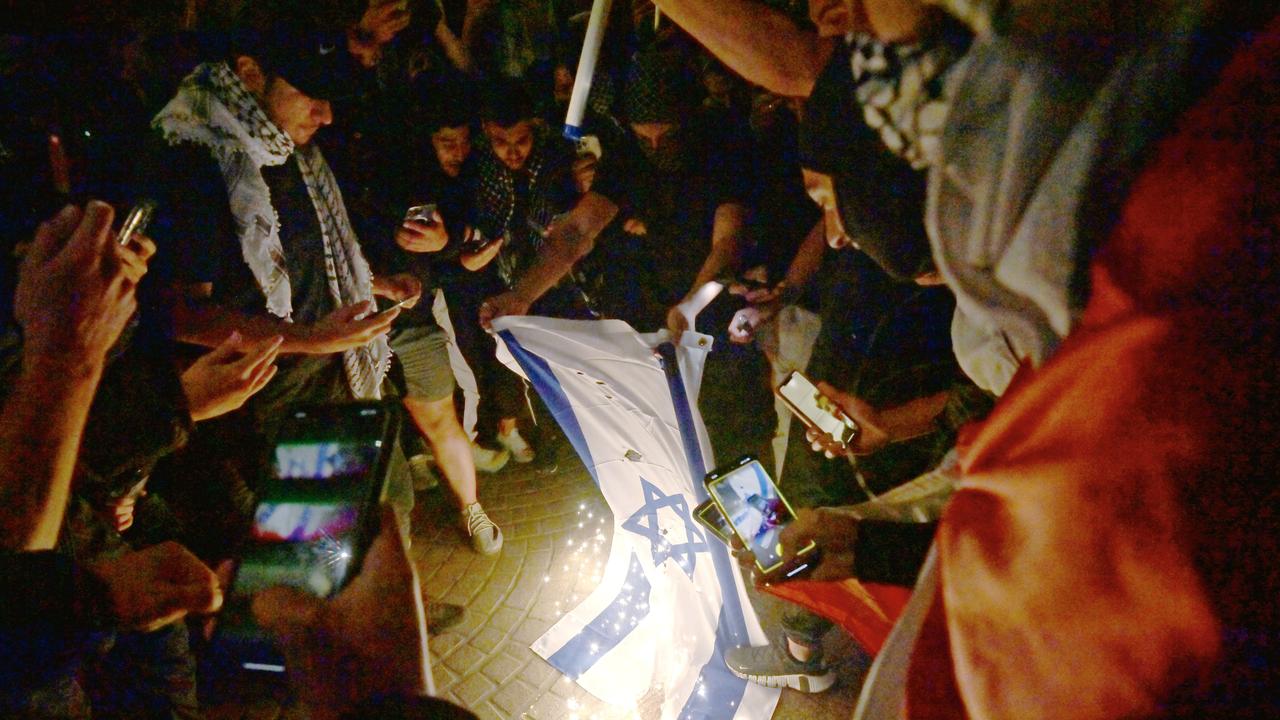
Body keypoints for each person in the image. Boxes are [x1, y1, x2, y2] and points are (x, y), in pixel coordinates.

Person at [143, 5, 502, 556]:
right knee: (320, 557)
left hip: (343, 379)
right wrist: (311, 340)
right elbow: (179, 314)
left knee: (388, 512)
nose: (327, 116)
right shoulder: (195, 160)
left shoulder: (285, 144)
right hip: (274, 413)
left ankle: (398, 621)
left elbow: (307, 255)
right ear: (248, 72)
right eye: (312, 95)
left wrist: (371, 281)